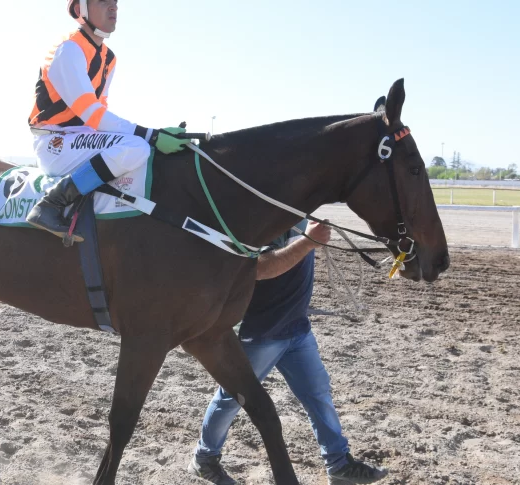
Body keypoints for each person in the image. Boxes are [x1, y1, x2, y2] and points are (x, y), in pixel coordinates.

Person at [188, 220, 390, 485]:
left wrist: (309, 238)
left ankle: (338, 463)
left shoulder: (302, 211)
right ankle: (203, 458)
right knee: (232, 397)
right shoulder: (266, 217)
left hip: (298, 329)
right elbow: (260, 267)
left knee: (318, 394)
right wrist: (308, 241)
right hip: (264, 333)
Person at [26, 0, 191, 241]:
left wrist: (152, 135)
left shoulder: (108, 58)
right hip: (55, 143)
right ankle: (51, 203)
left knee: (141, 146)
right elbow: (92, 113)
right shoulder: (69, 49)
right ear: (80, 9)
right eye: (103, 2)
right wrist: (152, 135)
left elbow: (100, 115)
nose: (113, 7)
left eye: (115, 3)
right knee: (137, 146)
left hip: (82, 139)